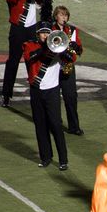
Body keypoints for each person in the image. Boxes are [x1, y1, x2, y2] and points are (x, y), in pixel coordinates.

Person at [23, 20, 72, 170]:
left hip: (52, 91)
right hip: (36, 90)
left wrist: (65, 49)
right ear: (37, 34)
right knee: (40, 125)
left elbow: (70, 60)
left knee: (56, 124)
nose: (45, 36)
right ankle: (46, 157)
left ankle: (63, 160)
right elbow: (30, 57)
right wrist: (46, 47)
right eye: (42, 33)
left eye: (47, 33)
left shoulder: (57, 46)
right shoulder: (29, 45)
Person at [1, 0, 42, 107]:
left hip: (32, 29)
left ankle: (36, 94)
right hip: (18, 27)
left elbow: (41, 1)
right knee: (13, 62)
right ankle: (6, 94)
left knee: (33, 61)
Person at [52, 5, 84, 136]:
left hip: (68, 67)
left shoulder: (72, 30)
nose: (64, 18)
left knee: (71, 97)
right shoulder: (50, 29)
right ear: (56, 16)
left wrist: (76, 47)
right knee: (53, 99)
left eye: (65, 15)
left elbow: (80, 50)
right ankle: (55, 124)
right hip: (53, 68)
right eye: (61, 15)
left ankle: (74, 126)